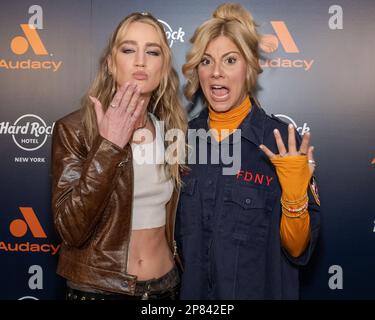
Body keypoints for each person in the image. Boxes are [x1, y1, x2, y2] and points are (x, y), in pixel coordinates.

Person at [176, 3, 321, 299]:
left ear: (251, 65)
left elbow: (298, 250)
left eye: (230, 60)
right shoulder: (181, 140)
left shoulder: (281, 140)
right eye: (206, 61)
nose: (216, 72)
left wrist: (295, 197)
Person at [51, 12, 187, 300]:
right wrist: (109, 146)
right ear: (111, 64)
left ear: (163, 68)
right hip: (101, 290)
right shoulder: (75, 129)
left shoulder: (173, 131)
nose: (140, 60)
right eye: (128, 50)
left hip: (167, 286)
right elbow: (71, 229)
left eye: (152, 52)